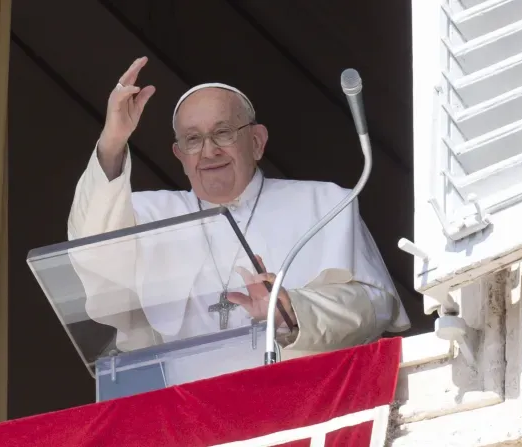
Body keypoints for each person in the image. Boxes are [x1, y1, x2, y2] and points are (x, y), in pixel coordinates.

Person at [67, 57, 410, 377]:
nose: (209, 150)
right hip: (184, 416)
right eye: (192, 139)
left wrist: (294, 311)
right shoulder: (149, 214)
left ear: (257, 142)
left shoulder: (324, 202)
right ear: (179, 155)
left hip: (297, 396)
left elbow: (374, 304)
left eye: (223, 133)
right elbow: (92, 252)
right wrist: (112, 142)